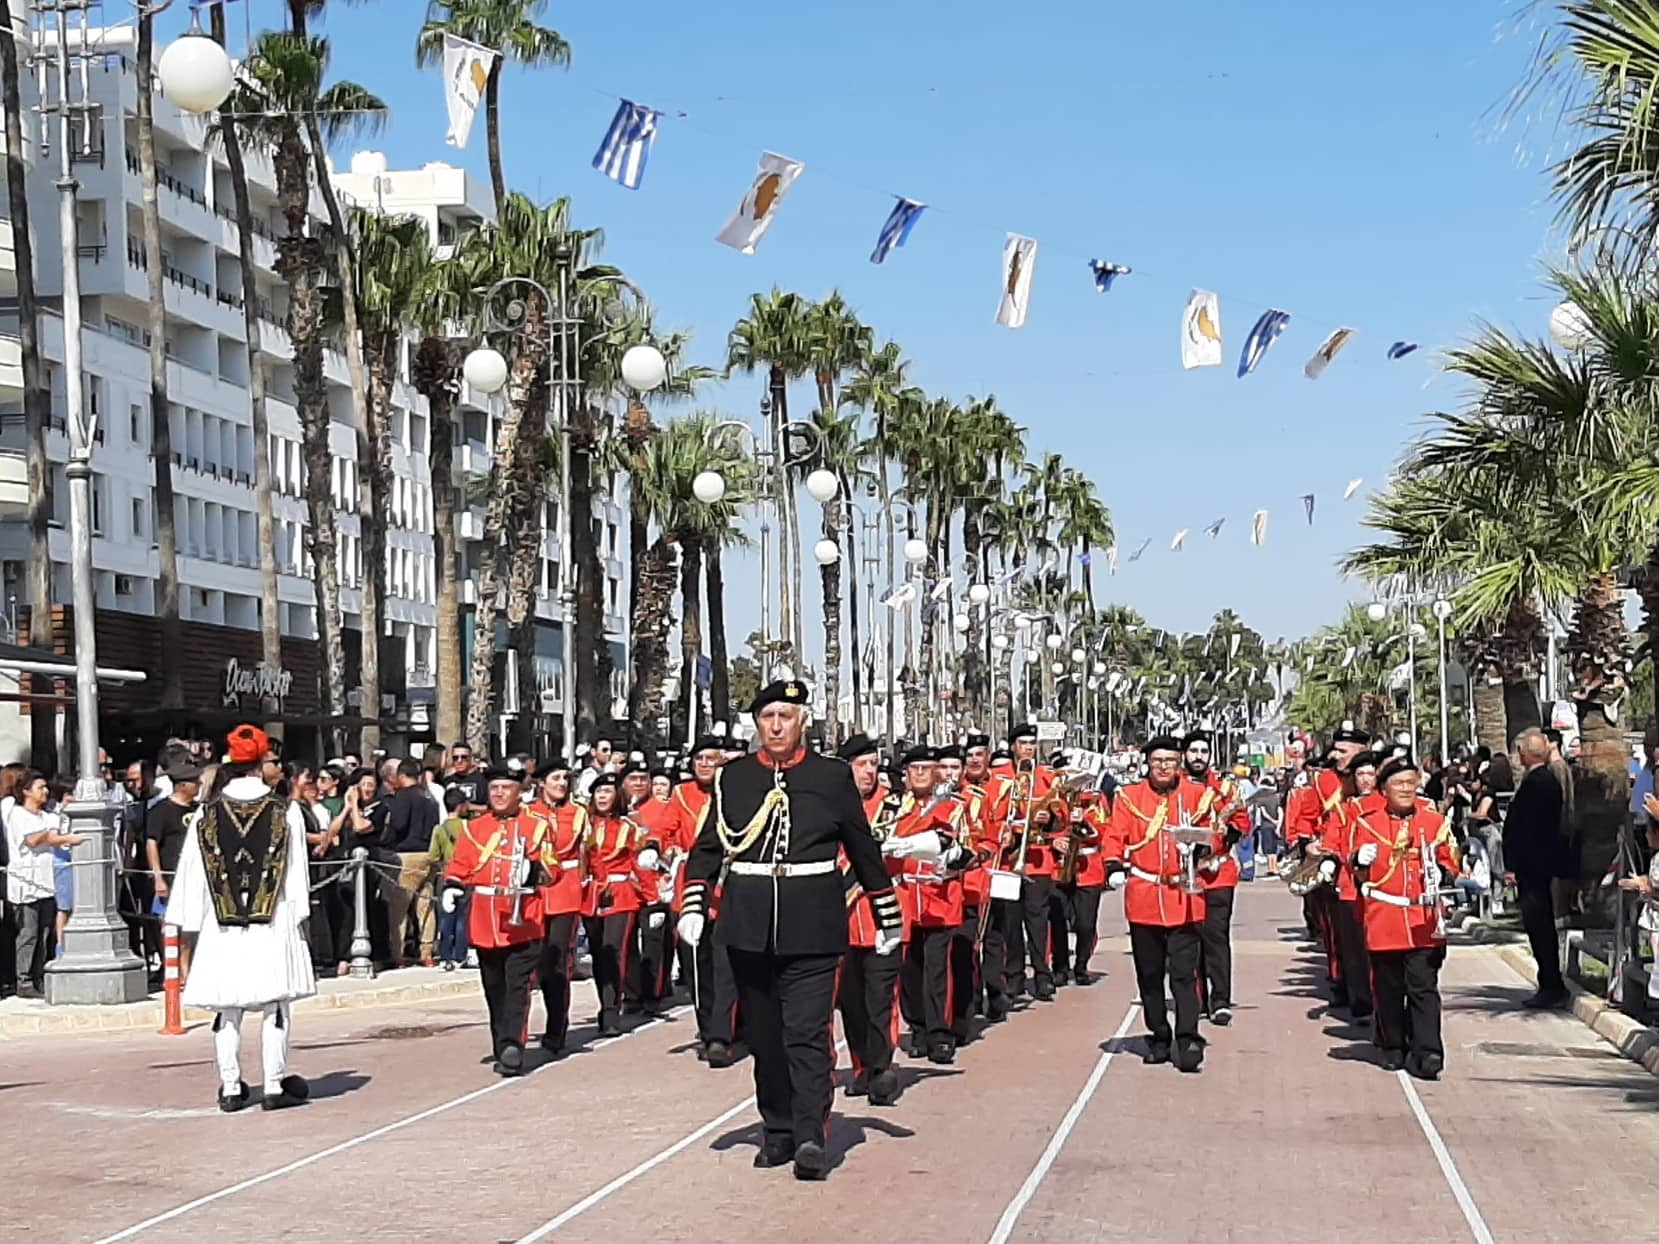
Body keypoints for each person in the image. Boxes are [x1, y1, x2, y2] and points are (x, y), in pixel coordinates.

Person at [678, 681, 903, 1180]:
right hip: (748, 924)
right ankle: (776, 1129)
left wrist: (887, 915)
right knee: (764, 1035)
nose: (776, 725)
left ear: (803, 721)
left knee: (805, 1032)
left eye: (786, 715)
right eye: (767, 716)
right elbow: (709, 847)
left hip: (814, 926)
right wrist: (692, 903)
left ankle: (808, 1133)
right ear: (756, 723)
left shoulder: (830, 777)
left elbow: (861, 848)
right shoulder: (733, 778)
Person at [165, 725, 316, 1111]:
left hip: (222, 923)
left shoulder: (206, 813)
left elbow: (193, 873)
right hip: (273, 918)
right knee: (275, 1005)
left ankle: (231, 1087)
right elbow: (297, 873)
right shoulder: (287, 811)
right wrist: (299, 912)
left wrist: (188, 919)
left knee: (226, 1009)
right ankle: (274, 1085)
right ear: (260, 763)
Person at [1102, 736, 1215, 1072]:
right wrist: (1112, 864)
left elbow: (1213, 832)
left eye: (1170, 760)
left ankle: (1188, 1037)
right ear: (1147, 764)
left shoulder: (1196, 795)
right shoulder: (1130, 797)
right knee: (1149, 975)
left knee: (1183, 974)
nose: (1164, 766)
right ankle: (1160, 1034)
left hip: (1184, 896)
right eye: (1157, 761)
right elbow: (1114, 835)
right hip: (1145, 896)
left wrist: (1203, 849)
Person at [1351, 752, 1457, 1079]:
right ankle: (1392, 1044)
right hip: (1384, 915)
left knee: (1423, 986)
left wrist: (1443, 871)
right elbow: (1353, 869)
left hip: (1422, 918)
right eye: (1399, 783)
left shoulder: (1433, 822)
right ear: (1384, 789)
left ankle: (1428, 1052)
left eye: (1412, 782)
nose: (1407, 789)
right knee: (1388, 988)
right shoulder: (1367, 822)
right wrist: (1358, 859)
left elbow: (1451, 858)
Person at [440, 768, 548, 1075]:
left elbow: (551, 870)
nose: (499, 793)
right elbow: (461, 864)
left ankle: (513, 1043)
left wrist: (533, 868)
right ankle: (501, 1042)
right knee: (494, 988)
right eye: (495, 787)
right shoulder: (475, 828)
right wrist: (452, 886)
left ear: (519, 792)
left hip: (523, 919)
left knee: (517, 986)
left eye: (506, 787)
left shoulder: (536, 826)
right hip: (486, 918)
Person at [886, 746, 974, 1064]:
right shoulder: (894, 809)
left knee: (937, 970)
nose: (920, 774)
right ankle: (918, 1027)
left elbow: (973, 848)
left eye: (926, 768)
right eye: (914, 769)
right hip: (906, 895)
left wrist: (956, 857)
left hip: (940, 895)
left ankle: (940, 1032)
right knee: (909, 969)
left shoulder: (954, 807)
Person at [658, 736, 739, 1065]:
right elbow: (665, 829)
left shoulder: (735, 790)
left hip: (729, 884)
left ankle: (722, 1034)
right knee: (695, 964)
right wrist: (659, 850)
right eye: (699, 759)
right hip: (693, 884)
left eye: (712, 758)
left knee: (725, 965)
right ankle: (708, 1028)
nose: (705, 764)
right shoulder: (681, 794)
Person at [835, 734, 904, 1105]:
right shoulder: (830, 808)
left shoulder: (896, 808)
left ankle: (882, 1069)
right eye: (862, 765)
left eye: (873, 764)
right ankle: (861, 1066)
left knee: (881, 997)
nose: (870, 771)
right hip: (841, 918)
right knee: (852, 1000)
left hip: (882, 917)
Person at [1183, 730, 1252, 1026]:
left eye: (1204, 751)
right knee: (1189, 937)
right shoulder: (1176, 787)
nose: (1199, 756)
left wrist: (1230, 832)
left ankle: (1220, 999)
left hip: (1219, 872)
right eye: (1194, 751)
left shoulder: (1225, 787)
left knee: (1216, 935)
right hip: (1185, 872)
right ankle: (1196, 997)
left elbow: (1243, 822)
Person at [5, 771, 85, 998]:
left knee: (44, 932)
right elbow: (34, 840)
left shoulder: (48, 816)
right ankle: (24, 980)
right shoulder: (18, 815)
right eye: (40, 787)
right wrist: (63, 838)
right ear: (26, 791)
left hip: (46, 882)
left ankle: (40, 975)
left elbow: (55, 833)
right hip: (25, 883)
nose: (45, 791)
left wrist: (59, 835)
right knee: (28, 933)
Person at [1504, 729, 1568, 1009]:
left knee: (1540, 925)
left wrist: (1515, 865)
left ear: (1527, 753)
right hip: (1534, 865)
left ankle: (1551, 984)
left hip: (1534, 866)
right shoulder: (1540, 780)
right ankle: (1549, 982)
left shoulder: (1540, 783)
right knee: (1537, 925)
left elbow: (1527, 829)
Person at [581, 773, 649, 1036]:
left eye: (607, 792)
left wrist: (652, 897)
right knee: (599, 953)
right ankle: (605, 1002)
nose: (602, 797)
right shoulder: (585, 826)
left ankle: (611, 1010)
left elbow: (639, 862)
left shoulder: (628, 828)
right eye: (598, 792)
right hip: (592, 892)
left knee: (614, 950)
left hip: (620, 893)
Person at [529, 763, 586, 1051]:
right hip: (534, 893)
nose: (562, 783)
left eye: (566, 778)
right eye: (556, 778)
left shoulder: (577, 814)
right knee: (531, 963)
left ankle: (556, 1027)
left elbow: (587, 854)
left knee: (557, 962)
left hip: (565, 892)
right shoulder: (528, 813)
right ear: (542, 783)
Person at [385, 758, 441, 967]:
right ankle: (426, 952)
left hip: (407, 854)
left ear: (401, 776)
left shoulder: (403, 796)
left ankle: (398, 953)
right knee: (425, 906)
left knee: (399, 907)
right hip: (427, 853)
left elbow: (399, 824)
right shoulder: (429, 798)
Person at [429, 788, 472, 971]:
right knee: (463, 917)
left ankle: (444, 955)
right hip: (467, 876)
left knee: (446, 917)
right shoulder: (469, 827)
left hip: (447, 875)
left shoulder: (440, 829)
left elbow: (433, 855)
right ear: (462, 806)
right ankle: (460, 954)